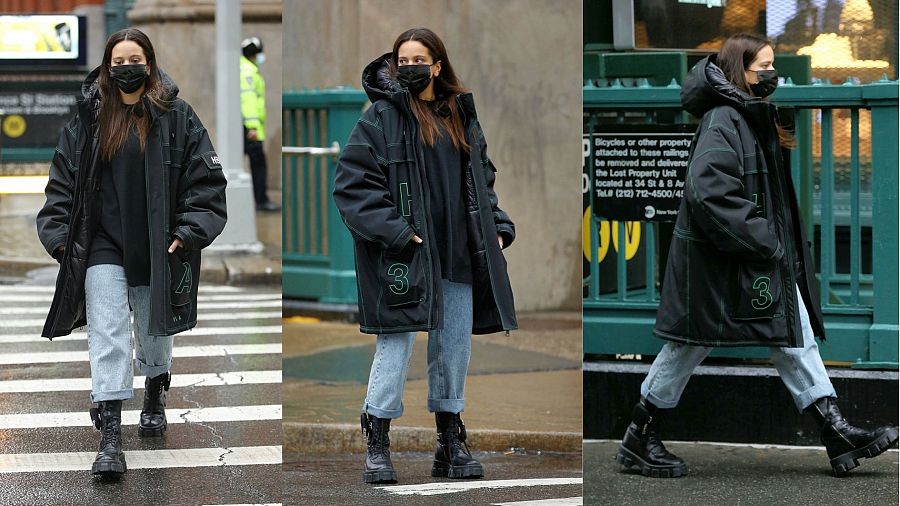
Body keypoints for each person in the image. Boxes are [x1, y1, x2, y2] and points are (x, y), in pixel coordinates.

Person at [615, 33, 898, 479]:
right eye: (762, 67)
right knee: (690, 344)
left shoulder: (742, 115)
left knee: (790, 329)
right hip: (722, 263)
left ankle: (833, 430)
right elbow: (708, 192)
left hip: (742, 259)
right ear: (738, 72)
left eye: (772, 65)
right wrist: (767, 239)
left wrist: (767, 242)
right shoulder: (724, 118)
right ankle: (639, 435)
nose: (771, 74)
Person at [36, 28, 227, 477]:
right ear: (107, 67)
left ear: (150, 63)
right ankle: (110, 439)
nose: (126, 68)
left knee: (154, 329)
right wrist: (61, 238)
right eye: (118, 61)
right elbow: (61, 183)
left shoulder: (177, 117)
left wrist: (188, 232)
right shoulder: (89, 120)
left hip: (159, 243)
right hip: (101, 244)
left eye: (134, 59)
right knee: (108, 333)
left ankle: (155, 388)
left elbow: (206, 184)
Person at [333, 27, 517, 485]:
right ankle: (377, 444)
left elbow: (482, 179)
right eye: (403, 60)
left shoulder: (460, 115)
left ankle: (450, 444)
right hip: (405, 255)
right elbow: (352, 187)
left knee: (454, 350)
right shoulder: (379, 118)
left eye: (419, 59)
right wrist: (399, 233)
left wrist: (496, 227)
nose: (410, 67)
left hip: (457, 251)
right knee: (394, 347)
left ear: (437, 66)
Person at [241, 36, 279, 212]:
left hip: (245, 126)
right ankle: (261, 200)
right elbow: (248, 100)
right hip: (250, 128)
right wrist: (253, 127)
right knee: (259, 165)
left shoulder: (244, 68)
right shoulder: (248, 71)